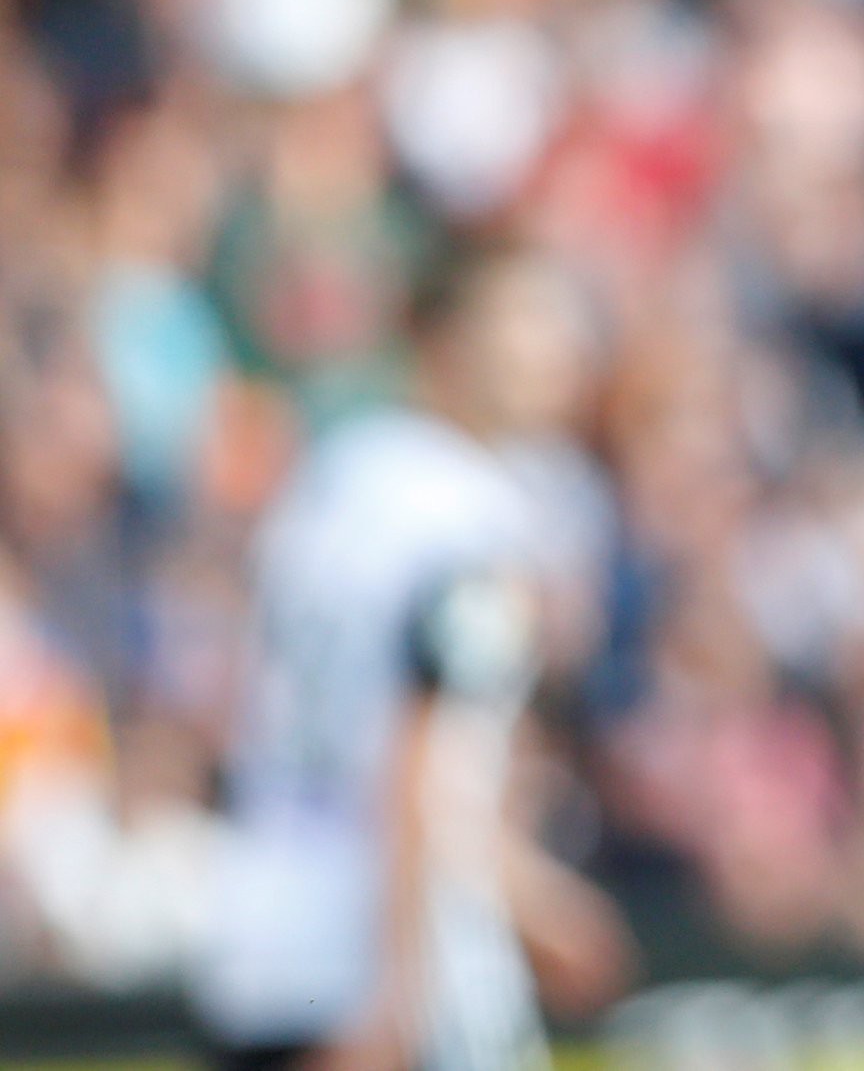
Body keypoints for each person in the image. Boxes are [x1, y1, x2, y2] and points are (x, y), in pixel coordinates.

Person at [195, 247, 631, 1071]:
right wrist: (400, 992)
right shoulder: (467, 515)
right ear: (444, 339)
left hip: (262, 930)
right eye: (527, 320)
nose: (558, 348)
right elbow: (419, 757)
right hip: (393, 955)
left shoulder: (338, 472)